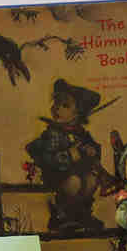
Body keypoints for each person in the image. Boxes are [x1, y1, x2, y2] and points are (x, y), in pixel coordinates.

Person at [26, 78, 105, 232]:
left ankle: (82, 215)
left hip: (79, 173)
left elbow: (94, 150)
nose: (57, 108)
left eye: (65, 105)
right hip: (57, 175)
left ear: (78, 114)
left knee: (91, 180)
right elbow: (46, 158)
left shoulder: (80, 133)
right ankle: (62, 216)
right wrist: (68, 155)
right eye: (56, 103)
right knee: (74, 182)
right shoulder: (53, 134)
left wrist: (92, 151)